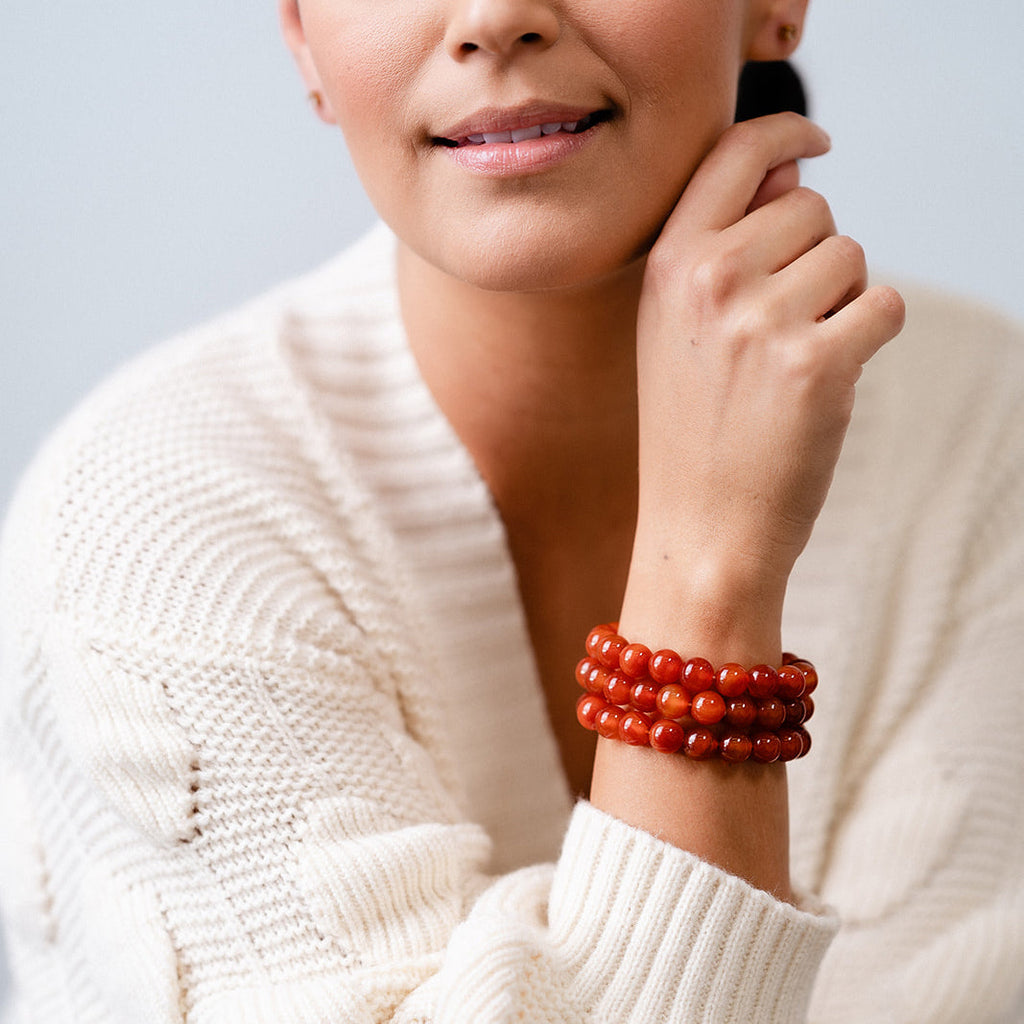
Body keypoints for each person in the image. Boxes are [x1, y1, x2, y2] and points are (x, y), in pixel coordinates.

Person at [1, 0, 1022, 1020]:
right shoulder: (150, 520)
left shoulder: (987, 434)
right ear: (304, 40)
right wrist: (710, 565)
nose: (494, 19)